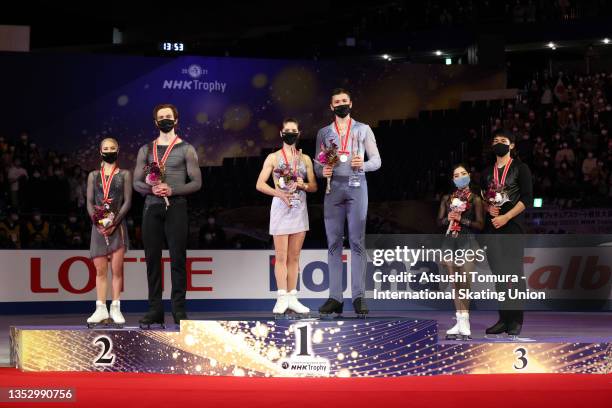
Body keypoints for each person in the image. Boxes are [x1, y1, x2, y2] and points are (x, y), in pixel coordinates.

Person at [314, 88, 381, 317]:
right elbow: (316, 166)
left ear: (351, 103)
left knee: (356, 242)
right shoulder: (324, 133)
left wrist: (361, 164)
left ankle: (358, 297)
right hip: (333, 190)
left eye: (345, 101)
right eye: (337, 102)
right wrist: (324, 170)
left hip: (357, 186)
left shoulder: (363, 129)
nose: (341, 104)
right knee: (333, 243)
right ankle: (335, 298)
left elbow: (377, 161)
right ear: (331, 107)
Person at [134, 104, 202, 328]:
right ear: (155, 122)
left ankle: (179, 310)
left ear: (176, 120)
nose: (165, 120)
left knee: (178, 260)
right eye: (161, 117)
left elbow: (196, 182)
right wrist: (150, 189)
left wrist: (173, 190)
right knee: (152, 261)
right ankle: (155, 310)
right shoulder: (146, 149)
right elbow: (136, 182)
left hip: (177, 207)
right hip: (151, 208)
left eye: (168, 117)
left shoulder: (186, 148)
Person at [256, 118, 317, 316]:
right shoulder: (273, 158)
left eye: (294, 130)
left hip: (299, 209)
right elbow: (260, 184)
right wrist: (279, 193)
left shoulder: (305, 159)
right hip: (281, 208)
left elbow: (314, 186)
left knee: (295, 257)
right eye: (287, 130)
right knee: (281, 257)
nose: (290, 133)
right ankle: (281, 298)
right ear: (281, 133)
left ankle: (293, 297)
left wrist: (302, 185)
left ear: (298, 134)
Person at [481, 129, 533, 337]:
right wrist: (488, 208)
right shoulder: (487, 172)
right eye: (496, 141)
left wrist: (506, 216)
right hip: (492, 229)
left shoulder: (521, 168)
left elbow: (527, 199)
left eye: (504, 141)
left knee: (514, 275)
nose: (499, 144)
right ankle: (503, 319)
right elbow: (484, 197)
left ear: (511, 146)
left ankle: (516, 319)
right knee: (499, 276)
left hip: (512, 228)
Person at [86, 138, 132, 327]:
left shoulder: (125, 174)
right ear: (100, 151)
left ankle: (116, 307)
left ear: (118, 150)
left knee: (117, 270)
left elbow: (128, 201)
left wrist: (114, 222)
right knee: (100, 271)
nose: (109, 151)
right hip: (98, 227)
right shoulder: (93, 176)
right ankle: (100, 308)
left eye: (112, 148)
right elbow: (89, 202)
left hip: (117, 226)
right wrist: (97, 222)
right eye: (106, 148)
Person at [437, 164, 484, 340]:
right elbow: (438, 221)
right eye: (457, 175)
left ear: (469, 176)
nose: (460, 177)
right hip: (450, 243)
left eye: (463, 174)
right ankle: (460, 321)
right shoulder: (447, 199)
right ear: (453, 179)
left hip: (468, 243)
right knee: (455, 285)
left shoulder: (476, 200)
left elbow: (480, 225)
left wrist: (461, 219)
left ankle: (466, 322)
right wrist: (446, 219)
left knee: (465, 284)